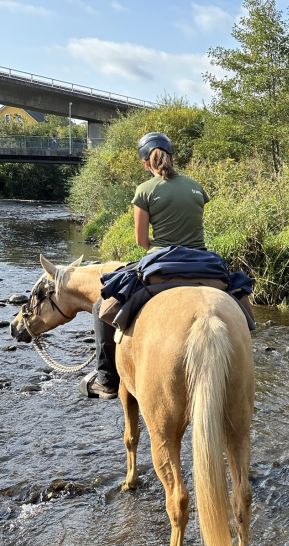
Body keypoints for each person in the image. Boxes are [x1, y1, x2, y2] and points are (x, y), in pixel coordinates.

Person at [85, 132, 211, 399]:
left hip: (162, 262)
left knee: (101, 306)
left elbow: (142, 241)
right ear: (172, 157)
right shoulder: (196, 187)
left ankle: (106, 380)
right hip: (202, 261)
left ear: (145, 163)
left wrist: (161, 242)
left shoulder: (145, 191)